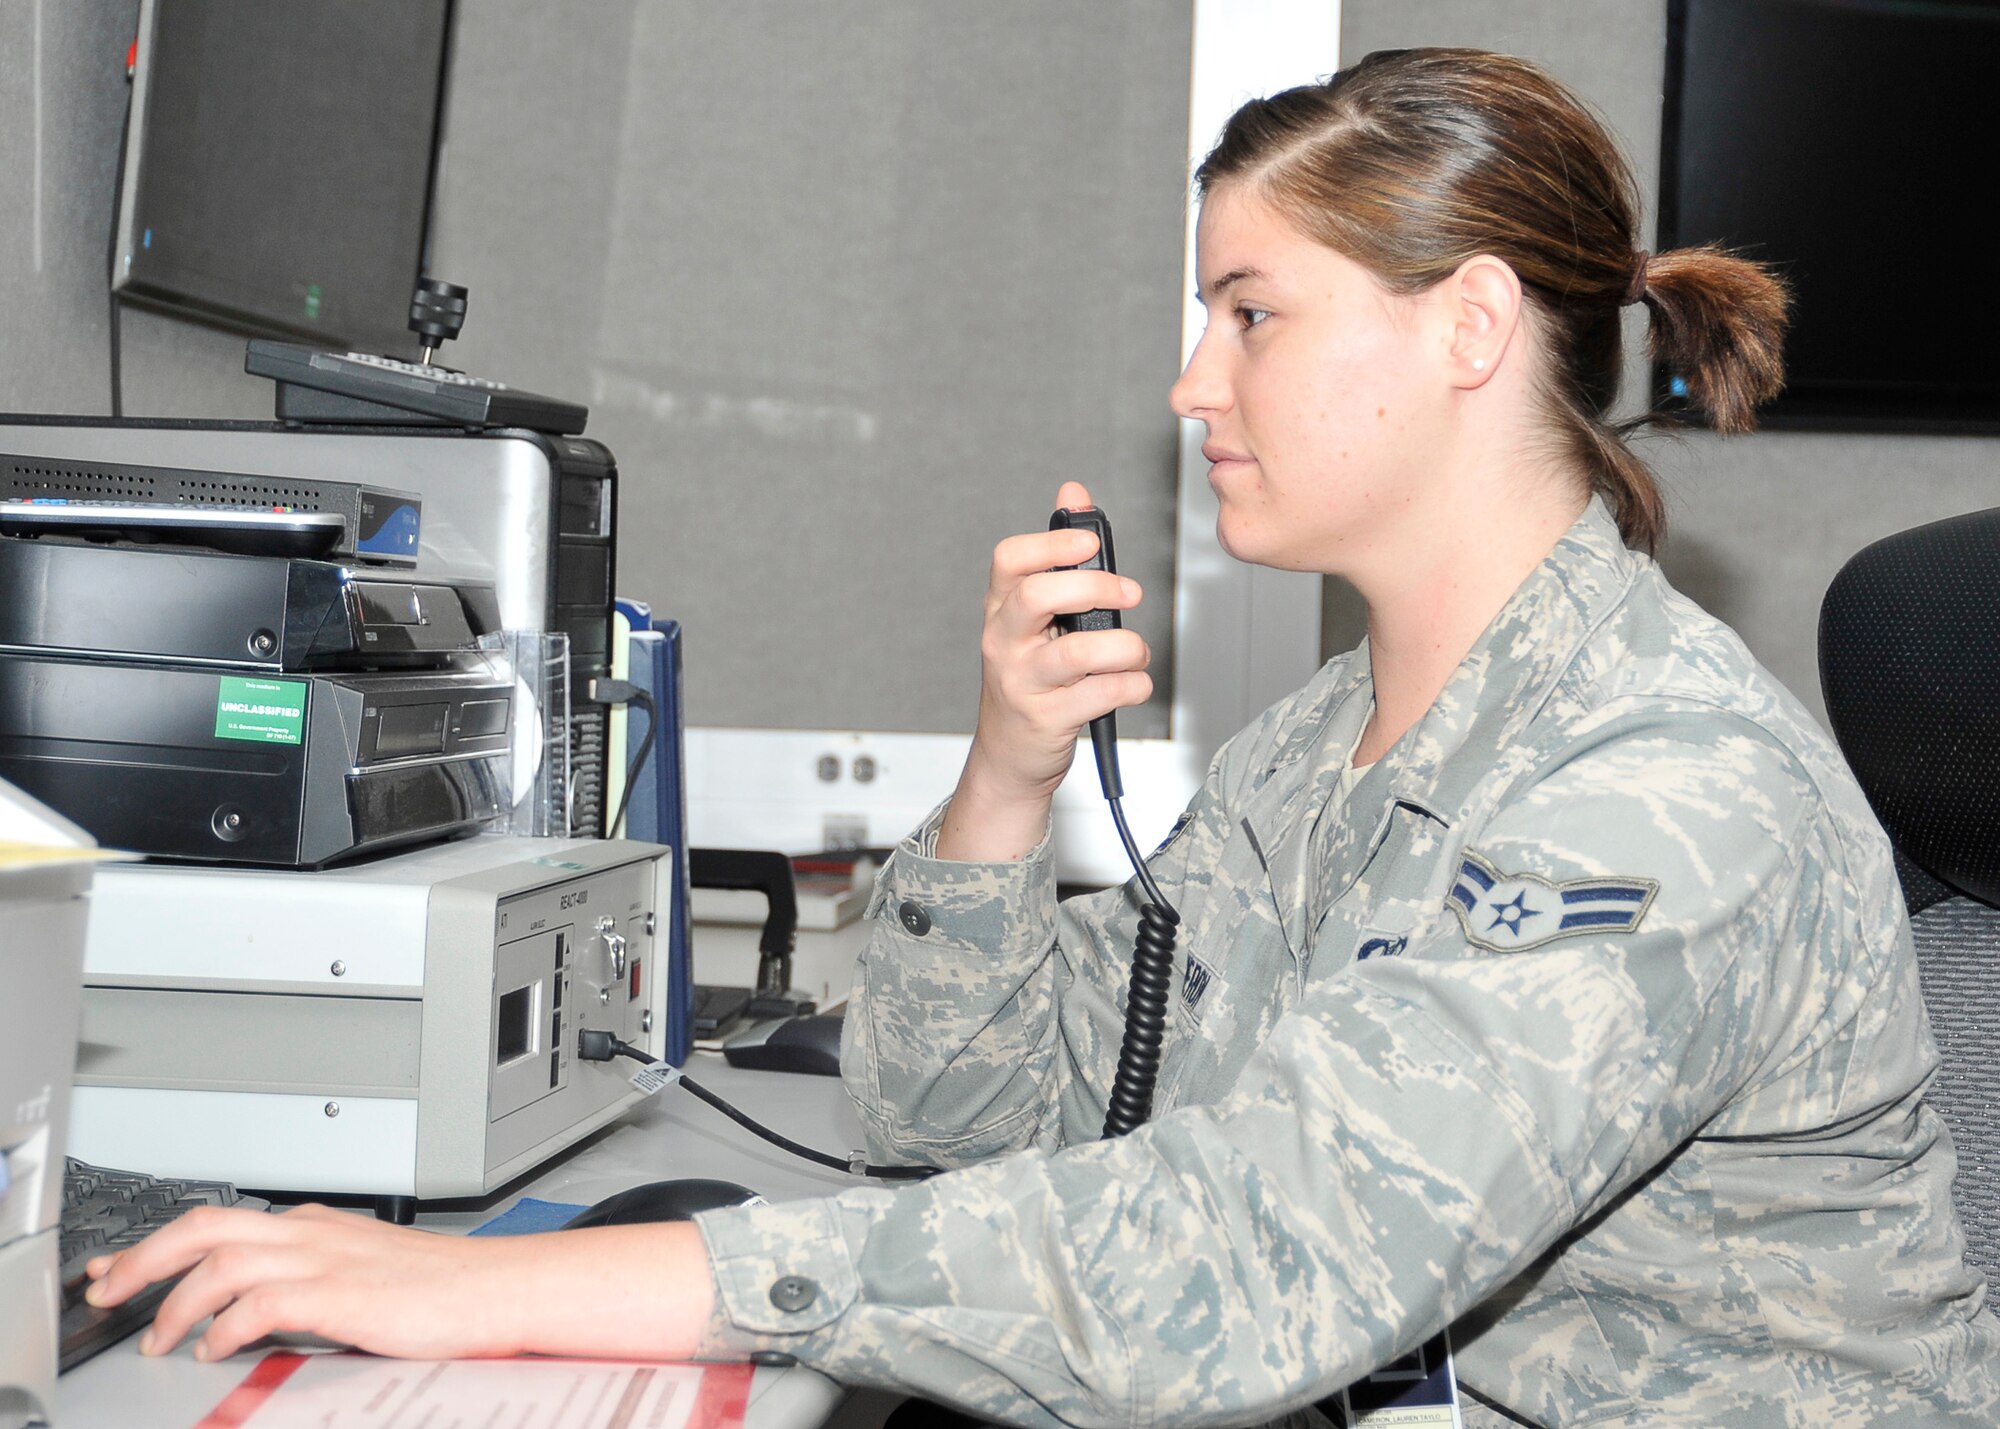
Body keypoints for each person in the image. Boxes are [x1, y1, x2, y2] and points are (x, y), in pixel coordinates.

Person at [88, 48, 1999, 1428]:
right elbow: (956, 1118)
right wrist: (1005, 775)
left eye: (1252, 313)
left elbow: (1270, 1256)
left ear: (1470, 328)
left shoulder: (1663, 784)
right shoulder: (1322, 745)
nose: (1193, 385)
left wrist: (493, 1282)